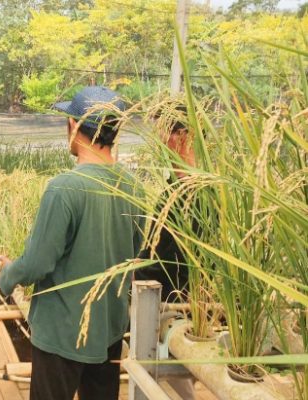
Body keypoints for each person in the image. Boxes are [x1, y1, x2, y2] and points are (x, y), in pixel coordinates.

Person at [0, 86, 145, 400]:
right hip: (108, 328)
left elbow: (37, 263)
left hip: (63, 333)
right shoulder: (133, 186)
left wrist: (8, 274)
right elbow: (135, 253)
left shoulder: (64, 189)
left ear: (74, 126)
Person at [136, 103, 199, 399]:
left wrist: (134, 270)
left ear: (182, 136)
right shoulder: (173, 191)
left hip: (182, 305)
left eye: (163, 132)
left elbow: (173, 267)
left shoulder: (194, 195)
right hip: (181, 300)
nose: (159, 142)